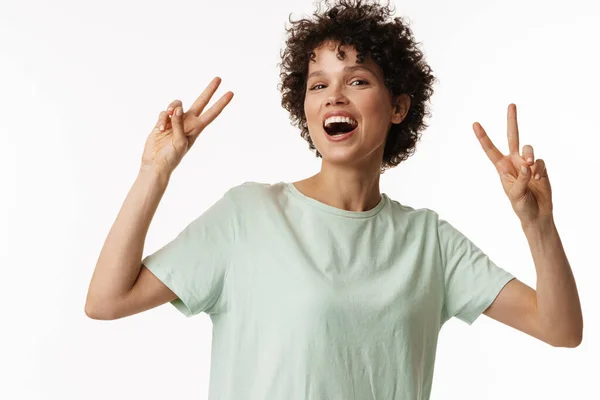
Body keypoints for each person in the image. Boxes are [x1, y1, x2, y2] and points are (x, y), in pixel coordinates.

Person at [84, 0, 583, 399]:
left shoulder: (429, 242)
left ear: (398, 107)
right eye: (318, 84)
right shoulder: (248, 216)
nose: (333, 96)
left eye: (358, 80)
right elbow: (108, 300)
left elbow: (560, 329)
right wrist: (154, 173)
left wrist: (538, 225)